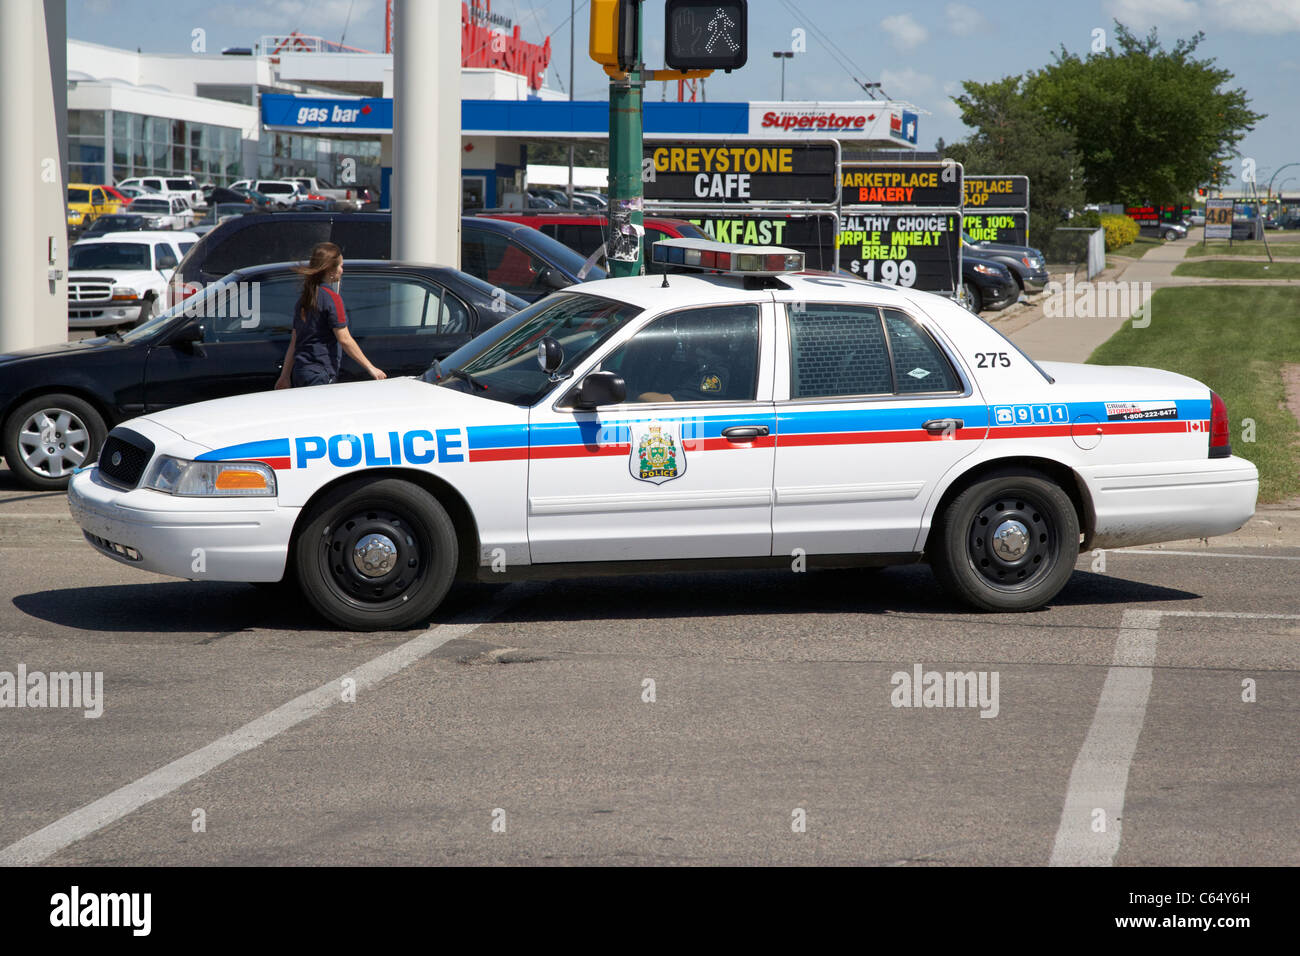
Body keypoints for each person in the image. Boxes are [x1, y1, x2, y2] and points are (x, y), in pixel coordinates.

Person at [275, 242, 385, 389]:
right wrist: (371, 368)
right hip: (320, 374)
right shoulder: (332, 299)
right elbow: (344, 339)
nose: (342, 270)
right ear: (330, 270)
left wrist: (285, 376)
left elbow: (295, 341)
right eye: (340, 265)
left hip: (301, 372)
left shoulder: (305, 298)